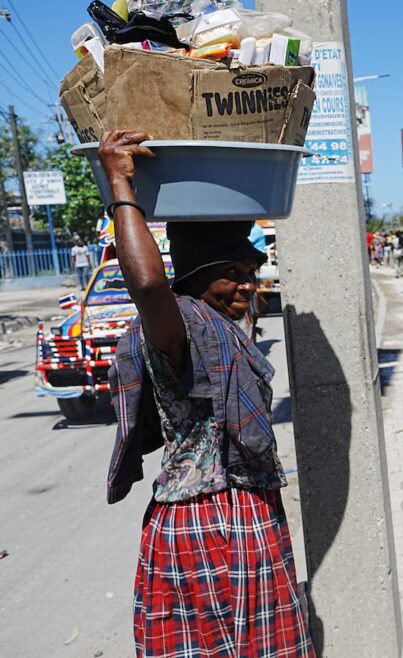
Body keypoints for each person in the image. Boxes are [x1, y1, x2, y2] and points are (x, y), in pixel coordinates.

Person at [98, 131, 312, 655]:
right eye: (230, 275)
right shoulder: (179, 328)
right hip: (204, 522)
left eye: (250, 273)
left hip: (250, 514)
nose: (246, 285)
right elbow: (148, 285)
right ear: (194, 279)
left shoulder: (224, 330)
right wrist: (120, 182)